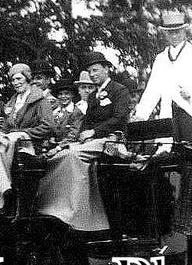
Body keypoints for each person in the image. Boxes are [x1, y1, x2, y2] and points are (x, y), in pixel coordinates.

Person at [36, 51, 131, 232]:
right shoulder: (94, 96)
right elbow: (87, 120)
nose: (93, 74)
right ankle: (55, 206)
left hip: (112, 139)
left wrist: (93, 132)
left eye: (96, 70)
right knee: (61, 154)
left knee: (73, 155)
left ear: (106, 69)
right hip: (93, 140)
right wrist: (79, 136)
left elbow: (119, 118)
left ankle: (76, 212)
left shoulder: (119, 90)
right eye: (90, 71)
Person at [0, 63, 55, 209]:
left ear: (28, 79)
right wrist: (0, 132)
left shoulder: (40, 100)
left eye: (19, 79)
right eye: (13, 80)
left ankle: (3, 191)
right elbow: (7, 126)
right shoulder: (13, 102)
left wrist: (24, 133)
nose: (16, 83)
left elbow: (48, 126)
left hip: (29, 145)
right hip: (10, 142)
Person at [134, 12, 192, 150]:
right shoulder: (161, 59)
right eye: (170, 33)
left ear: (184, 31)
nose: (174, 36)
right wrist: (141, 114)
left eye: (177, 32)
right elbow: (152, 90)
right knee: (167, 150)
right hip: (169, 114)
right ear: (165, 34)